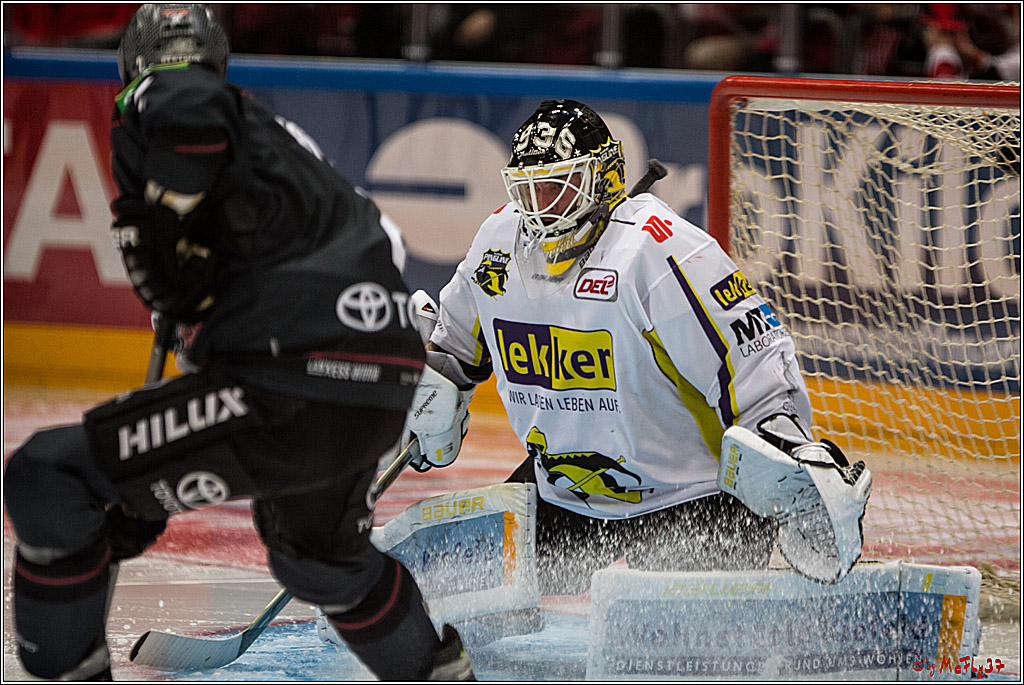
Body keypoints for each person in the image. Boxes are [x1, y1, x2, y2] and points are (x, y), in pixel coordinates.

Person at [3, 4, 473, 681]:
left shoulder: (169, 95)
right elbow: (383, 253)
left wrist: (168, 208)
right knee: (318, 555)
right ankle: (438, 672)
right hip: (372, 382)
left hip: (291, 376)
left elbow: (185, 103)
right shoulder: (277, 148)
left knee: (48, 476)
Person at [405, 99, 869, 595]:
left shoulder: (659, 248)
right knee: (454, 592)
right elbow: (455, 348)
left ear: (601, 179)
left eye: (558, 188)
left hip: (693, 500)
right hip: (566, 493)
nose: (540, 209)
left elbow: (753, 364)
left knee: (681, 653)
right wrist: (431, 390)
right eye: (529, 189)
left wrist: (790, 451)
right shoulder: (498, 242)